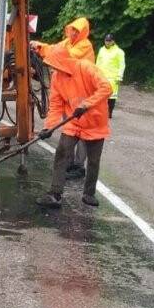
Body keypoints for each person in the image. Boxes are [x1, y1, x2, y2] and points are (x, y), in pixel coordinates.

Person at [36, 46, 112, 209]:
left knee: (93, 160)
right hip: (74, 121)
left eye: (54, 64)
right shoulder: (57, 78)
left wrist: (86, 105)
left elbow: (106, 88)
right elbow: (56, 104)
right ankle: (55, 194)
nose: (52, 68)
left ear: (63, 61)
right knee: (62, 152)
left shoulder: (85, 67)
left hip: (95, 122)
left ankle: (88, 194)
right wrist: (48, 127)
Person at [31, 17, 96, 178]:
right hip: (70, 91)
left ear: (82, 32)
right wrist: (40, 46)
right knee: (70, 127)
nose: (73, 33)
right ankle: (68, 162)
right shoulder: (67, 43)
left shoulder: (84, 46)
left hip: (84, 92)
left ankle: (79, 166)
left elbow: (65, 56)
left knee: (83, 130)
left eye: (76, 31)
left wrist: (43, 49)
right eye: (72, 30)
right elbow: (55, 49)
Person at [96, 34, 126, 118]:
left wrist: (120, 77)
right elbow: (98, 62)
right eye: (106, 40)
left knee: (112, 96)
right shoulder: (101, 50)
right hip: (101, 76)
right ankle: (101, 112)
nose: (107, 42)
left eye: (109, 41)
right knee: (100, 95)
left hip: (113, 77)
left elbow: (122, 65)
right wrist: (95, 73)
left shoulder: (119, 52)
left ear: (113, 41)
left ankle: (109, 113)